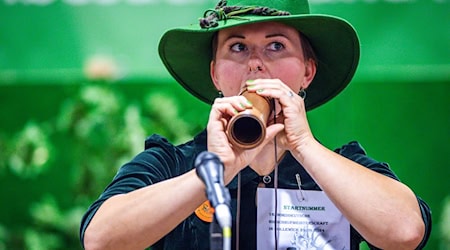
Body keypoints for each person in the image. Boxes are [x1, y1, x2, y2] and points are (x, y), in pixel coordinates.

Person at [80, 0, 432, 249]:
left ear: (307, 72)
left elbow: (406, 232)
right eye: (237, 47)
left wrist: (305, 146)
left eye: (276, 45)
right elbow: (101, 240)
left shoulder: (342, 168)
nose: (256, 64)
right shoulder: (172, 164)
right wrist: (212, 173)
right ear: (215, 73)